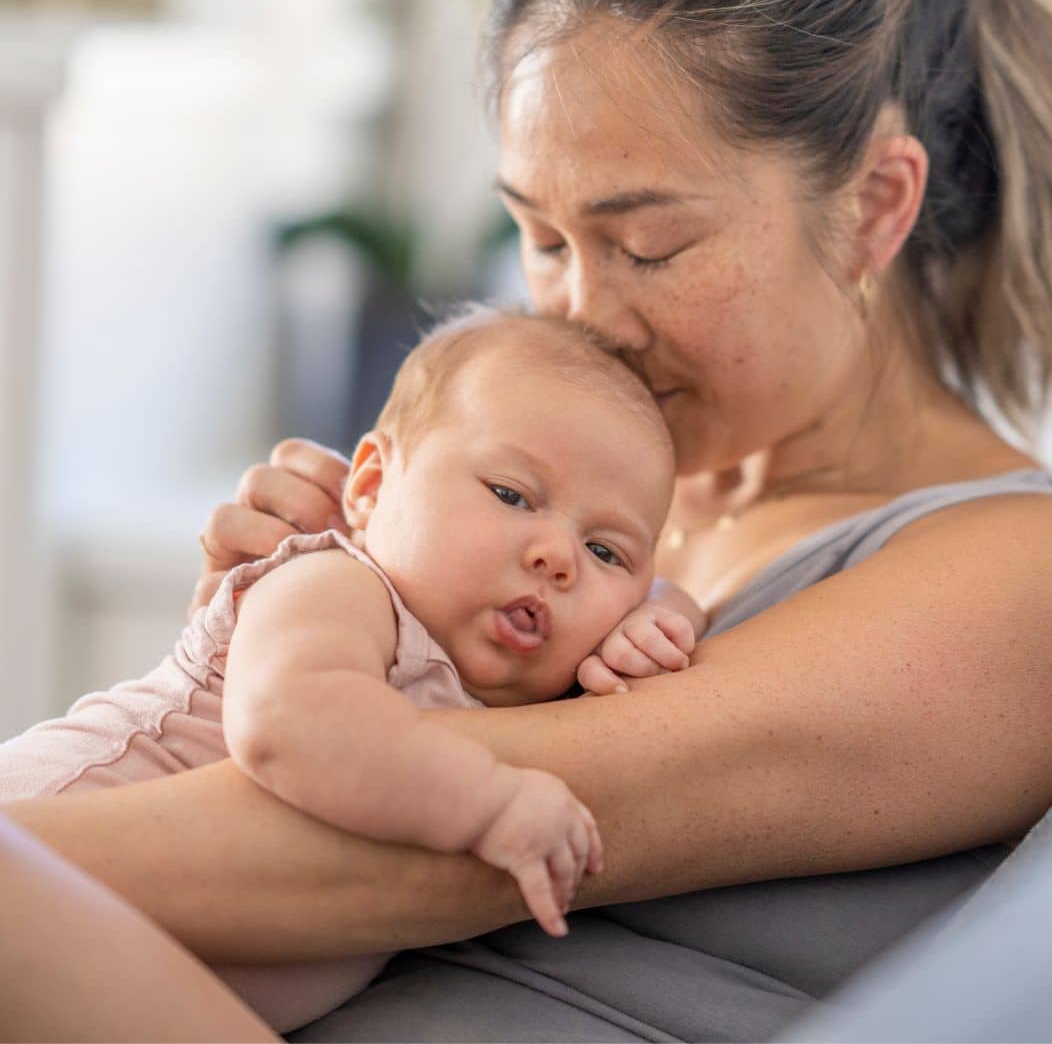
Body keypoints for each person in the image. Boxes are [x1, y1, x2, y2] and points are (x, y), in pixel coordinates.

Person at [0, 0, 1052, 1039]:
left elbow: (429, 855)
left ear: (876, 203)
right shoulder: (563, 502)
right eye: (539, 235)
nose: (581, 315)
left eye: (650, 244)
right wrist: (261, 643)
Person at [0, 310, 705, 1032]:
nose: (557, 556)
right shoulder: (339, 585)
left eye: (605, 551)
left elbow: (667, 587)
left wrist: (662, 616)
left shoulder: (511, 675)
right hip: (31, 861)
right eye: (510, 495)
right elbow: (290, 727)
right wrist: (490, 802)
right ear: (369, 486)